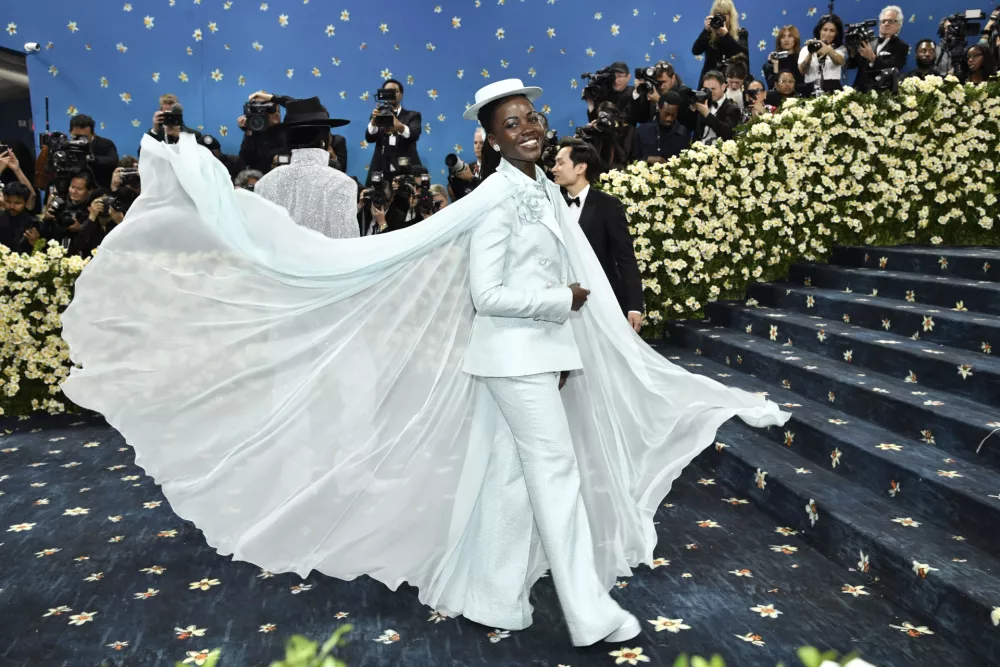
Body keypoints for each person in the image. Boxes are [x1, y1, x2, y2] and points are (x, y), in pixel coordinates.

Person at [59, 78, 789, 649]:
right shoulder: (502, 201)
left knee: (508, 480)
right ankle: (587, 610)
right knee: (555, 475)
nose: (530, 129)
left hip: (530, 358)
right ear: (491, 140)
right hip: (512, 358)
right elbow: (489, 293)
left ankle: (488, 591)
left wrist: (565, 328)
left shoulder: (534, 187)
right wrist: (559, 301)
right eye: (512, 125)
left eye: (532, 117)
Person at [552, 137, 644, 332]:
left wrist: (634, 306)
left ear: (580, 168)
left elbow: (625, 259)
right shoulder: (551, 205)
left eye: (560, 163)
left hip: (601, 301)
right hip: (560, 302)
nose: (554, 168)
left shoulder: (608, 205)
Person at [253, 97, 358, 239]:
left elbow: (259, 238)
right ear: (326, 139)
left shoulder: (263, 183)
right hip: (323, 260)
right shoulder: (342, 184)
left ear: (288, 139)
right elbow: (346, 243)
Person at [364, 79, 423, 185]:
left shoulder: (412, 115)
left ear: (401, 94)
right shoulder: (378, 113)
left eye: (394, 91)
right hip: (381, 168)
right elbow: (370, 138)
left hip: (405, 168)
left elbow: (414, 134)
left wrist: (399, 127)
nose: (391, 94)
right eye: (387, 91)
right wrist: (373, 122)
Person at [846, 5, 910, 92]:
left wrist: (873, 58)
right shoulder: (869, 42)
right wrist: (852, 53)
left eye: (891, 21)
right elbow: (852, 65)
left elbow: (893, 67)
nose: (886, 23)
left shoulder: (901, 46)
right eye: (883, 21)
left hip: (883, 94)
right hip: (860, 91)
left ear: (898, 25)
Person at [692, 0, 749, 86]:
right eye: (717, 15)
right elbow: (696, 51)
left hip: (732, 82)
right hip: (711, 81)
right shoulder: (710, 33)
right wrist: (706, 30)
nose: (720, 19)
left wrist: (726, 35)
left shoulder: (740, 33)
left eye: (724, 15)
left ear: (730, 16)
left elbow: (742, 53)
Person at [632, 90, 691, 163]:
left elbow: (686, 164)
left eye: (673, 115)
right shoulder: (642, 130)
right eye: (666, 114)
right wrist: (647, 159)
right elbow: (632, 160)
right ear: (659, 108)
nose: (669, 118)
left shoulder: (684, 133)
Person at [799, 15, 848, 94]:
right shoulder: (806, 49)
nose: (827, 34)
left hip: (833, 90)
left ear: (836, 34)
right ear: (819, 30)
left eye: (832, 31)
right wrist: (810, 53)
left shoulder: (840, 49)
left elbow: (840, 61)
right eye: (825, 30)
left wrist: (829, 50)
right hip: (811, 90)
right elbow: (802, 71)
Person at [691, 70, 742, 144]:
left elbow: (727, 133)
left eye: (713, 89)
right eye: (706, 89)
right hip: (698, 151)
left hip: (719, 152)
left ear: (723, 87)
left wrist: (707, 115)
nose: (709, 92)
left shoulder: (733, 109)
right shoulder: (702, 103)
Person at [765, 26, 804, 90]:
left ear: (795, 39)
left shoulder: (802, 59)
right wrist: (775, 64)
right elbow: (772, 86)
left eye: (790, 36)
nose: (786, 40)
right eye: (783, 37)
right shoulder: (772, 61)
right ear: (779, 40)